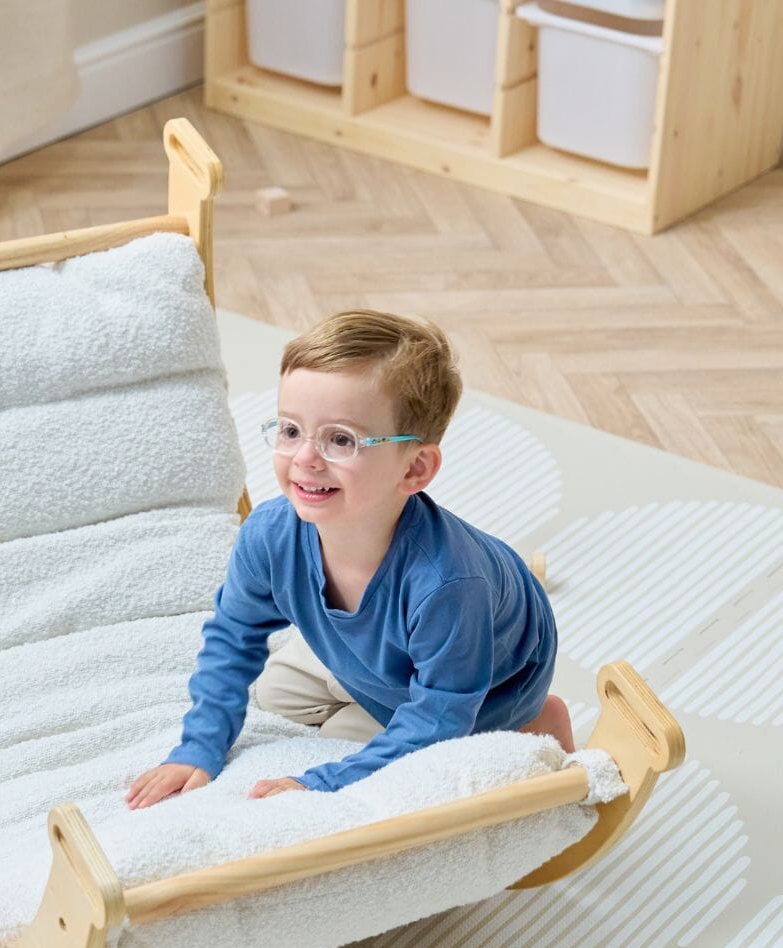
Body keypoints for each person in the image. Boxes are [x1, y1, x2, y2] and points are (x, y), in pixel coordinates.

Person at [124, 309, 574, 810]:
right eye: (291, 430)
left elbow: (438, 721)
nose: (305, 458)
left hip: (491, 690)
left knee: (384, 760)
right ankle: (367, 692)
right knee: (275, 697)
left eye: (341, 439)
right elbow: (233, 637)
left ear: (415, 467)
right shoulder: (270, 534)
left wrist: (324, 783)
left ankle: (539, 721)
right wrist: (199, 747)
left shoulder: (447, 585)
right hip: (385, 652)